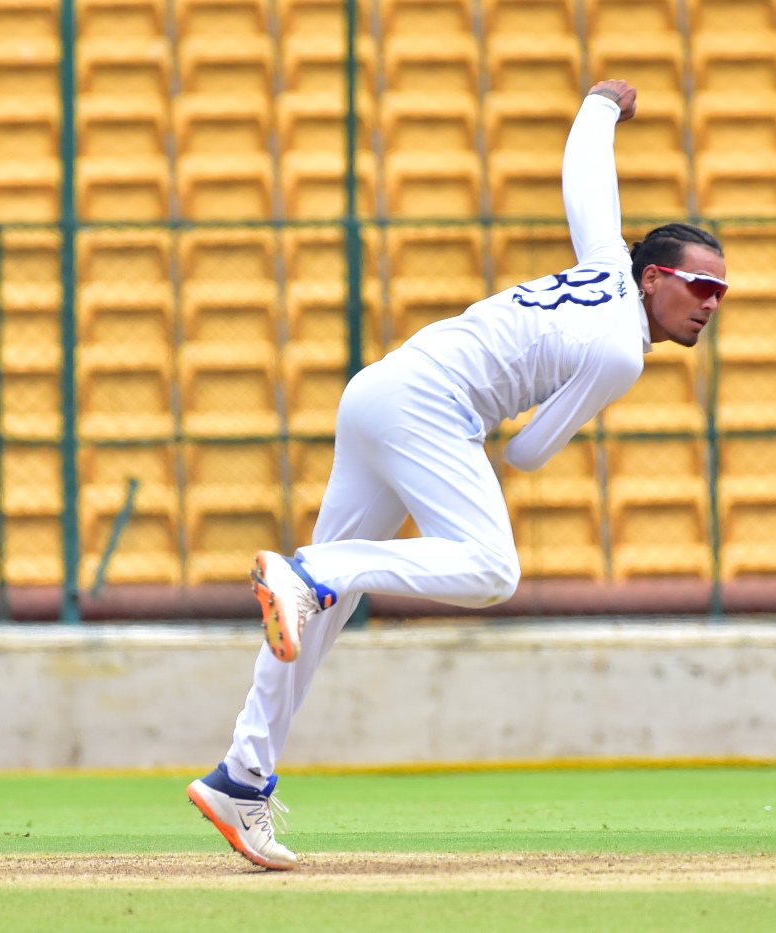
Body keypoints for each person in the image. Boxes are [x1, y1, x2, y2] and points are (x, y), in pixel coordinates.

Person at [186, 79, 729, 870]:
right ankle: (314, 572)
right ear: (656, 278)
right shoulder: (621, 351)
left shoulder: (610, 262)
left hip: (380, 388)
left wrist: (599, 106)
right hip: (432, 406)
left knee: (316, 617)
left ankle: (241, 774)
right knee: (490, 569)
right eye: (700, 286)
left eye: (721, 292)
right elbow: (526, 452)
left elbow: (587, 175)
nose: (711, 303)